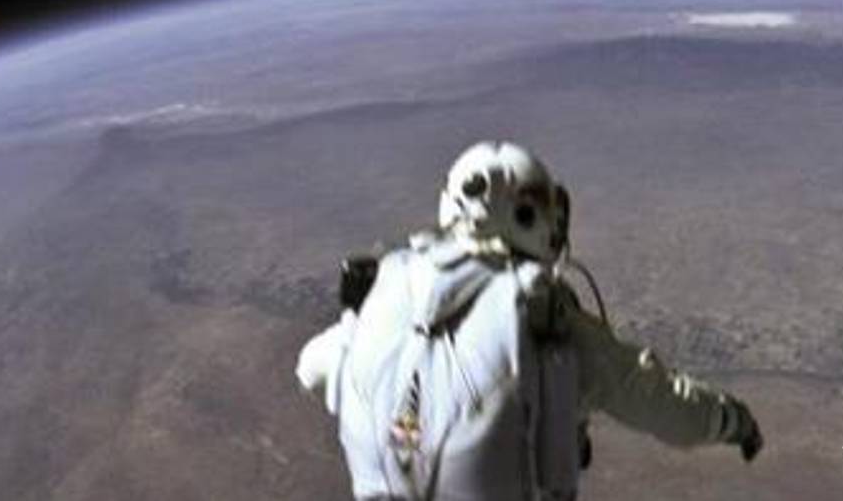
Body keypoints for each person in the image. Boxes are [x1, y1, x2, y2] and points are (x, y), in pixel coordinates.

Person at [297, 141, 762, 501]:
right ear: (533, 217)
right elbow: (656, 401)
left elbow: (311, 370)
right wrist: (731, 421)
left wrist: (358, 328)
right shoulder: (538, 313)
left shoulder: (386, 293)